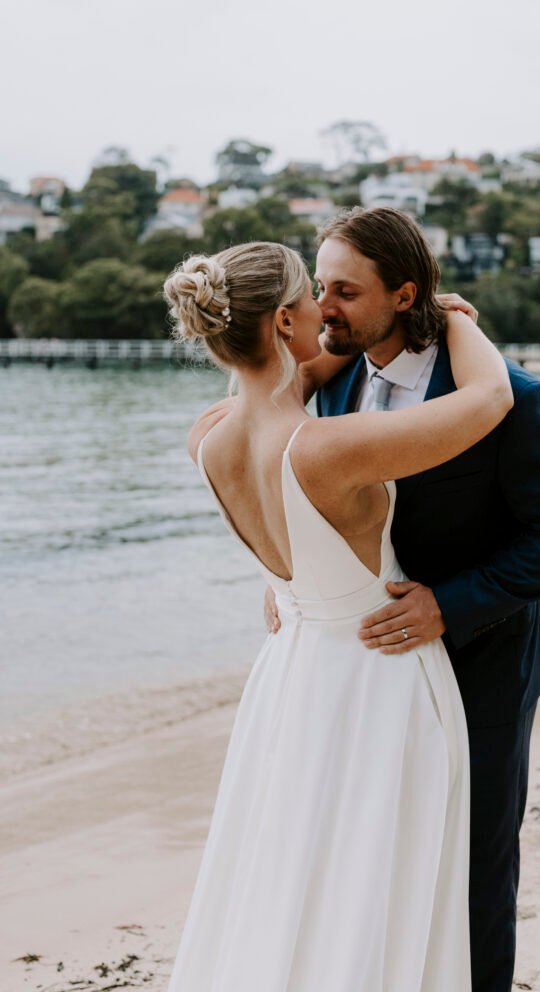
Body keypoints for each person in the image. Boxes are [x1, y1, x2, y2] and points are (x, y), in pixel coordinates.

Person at [257, 207, 540, 992]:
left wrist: (448, 603)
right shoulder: (330, 380)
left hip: (483, 655)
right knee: (376, 848)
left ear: (403, 293)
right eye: (320, 287)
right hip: (369, 663)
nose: (324, 308)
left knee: (472, 859)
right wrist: (285, 577)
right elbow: (308, 497)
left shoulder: (512, 397)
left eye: (345, 290)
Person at [163, 239, 513, 990]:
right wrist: (454, 320)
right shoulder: (325, 447)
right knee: (376, 880)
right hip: (376, 677)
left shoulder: (208, 437)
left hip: (291, 673)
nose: (327, 309)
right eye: (310, 301)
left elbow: (287, 377)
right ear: (286, 322)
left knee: (291, 866)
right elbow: (489, 400)